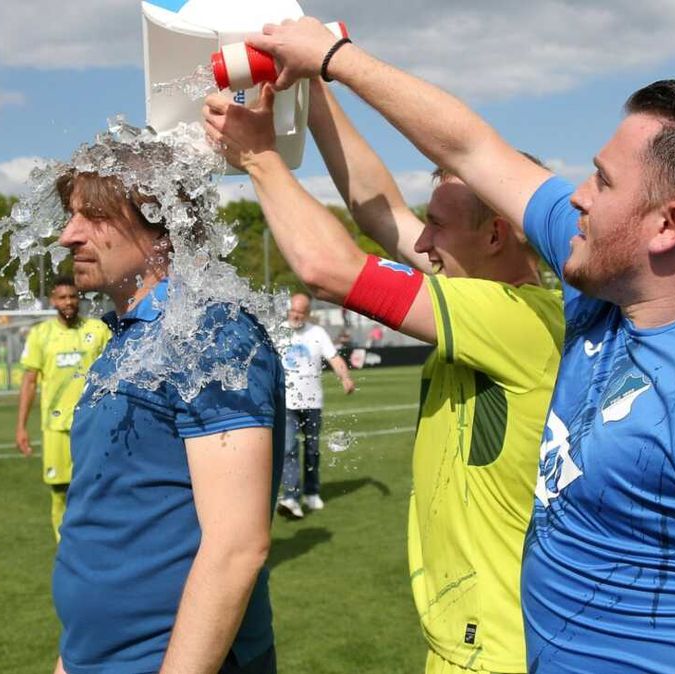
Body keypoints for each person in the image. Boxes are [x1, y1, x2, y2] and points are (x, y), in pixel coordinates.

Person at [245, 20, 675, 673]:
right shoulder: (611, 280)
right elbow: (475, 150)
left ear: (668, 227)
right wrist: (331, 61)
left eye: (603, 182)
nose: (576, 197)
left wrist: (259, 152)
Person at [205, 78, 564, 673]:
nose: (422, 241)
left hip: (496, 653)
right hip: (468, 642)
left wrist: (256, 158)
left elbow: (328, 269)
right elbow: (379, 209)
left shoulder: (517, 315)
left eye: (439, 226)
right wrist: (313, 86)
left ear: (496, 234)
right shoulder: (485, 291)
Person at [51, 162, 284, 673]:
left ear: (163, 228)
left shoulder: (210, 333)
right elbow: (108, 513)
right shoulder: (126, 338)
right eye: (71, 217)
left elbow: (236, 546)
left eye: (93, 216)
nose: (69, 236)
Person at [16, 276, 111, 541]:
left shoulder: (98, 330)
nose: (68, 302)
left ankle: (96, 540)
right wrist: (21, 427)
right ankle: (65, 545)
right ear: (52, 301)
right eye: (62, 297)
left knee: (97, 486)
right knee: (59, 489)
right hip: (56, 427)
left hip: (93, 424)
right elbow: (29, 382)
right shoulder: (40, 335)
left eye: (72, 296)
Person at [274, 292, 356, 519]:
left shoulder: (317, 333)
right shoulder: (277, 331)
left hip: (312, 402)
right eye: (293, 311)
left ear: (308, 314)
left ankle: (312, 491)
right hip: (287, 402)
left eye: (301, 312)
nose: (296, 316)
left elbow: (334, 358)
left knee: (312, 450)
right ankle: (291, 497)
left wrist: (345, 377)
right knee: (289, 448)